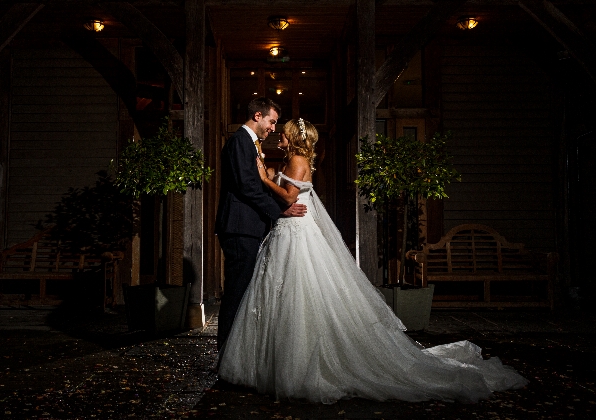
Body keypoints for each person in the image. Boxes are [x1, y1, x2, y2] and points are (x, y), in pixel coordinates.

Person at [218, 118, 529, 404]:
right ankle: (276, 361)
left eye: (282, 132)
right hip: (284, 231)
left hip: (296, 233)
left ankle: (303, 364)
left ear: (293, 137)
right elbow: (283, 192)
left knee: (302, 293)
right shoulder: (289, 160)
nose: (279, 136)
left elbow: (287, 198)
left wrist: (262, 177)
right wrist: (268, 174)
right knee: (281, 295)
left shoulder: (298, 160)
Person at [214, 97, 307, 352]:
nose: (273, 128)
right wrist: (280, 210)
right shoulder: (240, 141)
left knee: (242, 290)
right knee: (236, 291)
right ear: (258, 116)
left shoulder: (249, 143)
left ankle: (234, 352)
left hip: (247, 227)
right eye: (272, 121)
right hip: (239, 227)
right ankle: (226, 354)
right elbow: (246, 186)